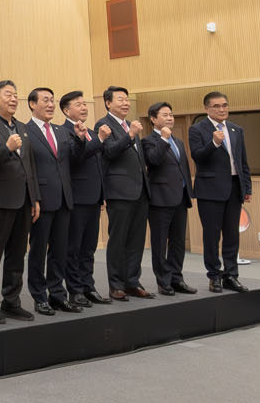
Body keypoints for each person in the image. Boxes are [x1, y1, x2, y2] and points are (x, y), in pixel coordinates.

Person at [0, 80, 39, 323]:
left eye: (15, 95)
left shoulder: (21, 127)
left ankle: (11, 302)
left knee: (17, 254)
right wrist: (7, 148)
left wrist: (35, 198)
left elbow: (29, 166)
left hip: (23, 200)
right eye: (8, 94)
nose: (14, 99)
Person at [188, 90, 253, 293]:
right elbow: (198, 156)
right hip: (210, 190)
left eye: (224, 105)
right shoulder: (197, 129)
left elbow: (242, 161)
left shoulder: (236, 129)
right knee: (212, 236)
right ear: (207, 108)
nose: (222, 109)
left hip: (234, 187)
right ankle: (214, 275)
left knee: (232, 235)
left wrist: (247, 187)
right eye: (216, 106)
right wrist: (214, 143)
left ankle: (231, 275)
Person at [24, 87, 78, 314]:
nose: (50, 105)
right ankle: (39, 296)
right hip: (41, 200)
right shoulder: (25, 131)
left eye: (52, 101)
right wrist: (33, 198)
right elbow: (28, 169)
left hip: (64, 198)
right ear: (32, 104)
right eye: (45, 100)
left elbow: (73, 159)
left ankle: (57, 294)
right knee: (38, 251)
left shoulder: (61, 131)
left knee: (60, 250)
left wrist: (81, 140)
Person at [97, 85, 152, 300]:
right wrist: (130, 135)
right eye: (120, 99)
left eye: (127, 99)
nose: (126, 103)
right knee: (118, 240)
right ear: (108, 103)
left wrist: (131, 132)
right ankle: (116, 284)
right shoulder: (103, 124)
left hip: (140, 191)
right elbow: (110, 152)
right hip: (119, 191)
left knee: (136, 240)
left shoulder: (130, 124)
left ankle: (132, 281)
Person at [57, 91, 109, 306]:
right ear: (66, 110)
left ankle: (89, 286)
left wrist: (102, 194)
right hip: (77, 198)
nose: (84, 107)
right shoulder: (63, 132)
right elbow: (75, 158)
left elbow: (98, 166)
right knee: (74, 248)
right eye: (78, 104)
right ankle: (75, 290)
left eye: (84, 104)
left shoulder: (91, 132)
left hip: (94, 197)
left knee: (89, 248)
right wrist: (100, 140)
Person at [140, 101, 197, 296]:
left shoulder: (178, 142)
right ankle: (163, 281)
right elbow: (153, 160)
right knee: (160, 243)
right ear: (153, 119)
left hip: (180, 197)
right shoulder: (148, 141)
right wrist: (164, 139)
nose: (170, 118)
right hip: (160, 199)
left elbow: (183, 168)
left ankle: (176, 278)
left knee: (178, 242)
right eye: (165, 115)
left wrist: (189, 192)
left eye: (171, 115)